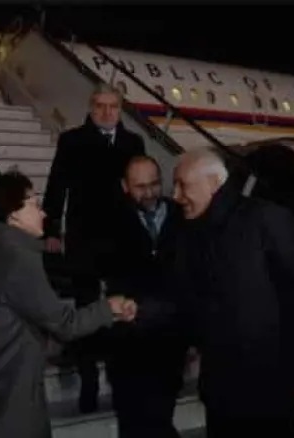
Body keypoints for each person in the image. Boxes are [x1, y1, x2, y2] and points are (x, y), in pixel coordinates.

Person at [0, 171, 137, 438]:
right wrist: (108, 307)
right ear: (13, 214)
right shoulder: (18, 260)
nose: (43, 213)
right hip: (12, 402)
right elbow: (64, 324)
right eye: (34, 204)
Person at [171, 149, 294, 438]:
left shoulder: (267, 220)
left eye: (183, 185)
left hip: (269, 391)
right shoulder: (191, 233)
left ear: (213, 183)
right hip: (220, 393)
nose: (176, 196)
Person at [41, 82, 145, 412]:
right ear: (90, 107)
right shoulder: (72, 141)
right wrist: (51, 228)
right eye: (100, 105)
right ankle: (88, 384)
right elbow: (56, 185)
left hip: (123, 241)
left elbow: (142, 189)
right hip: (84, 238)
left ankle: (122, 380)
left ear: (120, 109)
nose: (106, 112)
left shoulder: (134, 143)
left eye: (112, 106)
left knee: (123, 309)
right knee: (86, 310)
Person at [105, 155, 187, 438]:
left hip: (170, 340)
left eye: (154, 184)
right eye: (141, 187)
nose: (149, 193)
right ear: (125, 186)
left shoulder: (182, 215)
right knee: (134, 420)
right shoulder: (109, 220)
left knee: (161, 414)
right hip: (129, 341)